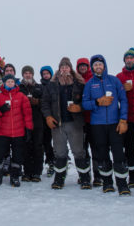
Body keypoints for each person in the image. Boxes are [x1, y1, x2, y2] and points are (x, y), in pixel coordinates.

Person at [82, 55, 130, 195]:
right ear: (92, 68)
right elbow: (85, 104)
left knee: (118, 154)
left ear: (104, 66)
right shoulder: (90, 84)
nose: (98, 67)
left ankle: (122, 184)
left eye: (100, 64)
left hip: (115, 123)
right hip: (97, 125)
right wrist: (98, 102)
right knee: (102, 155)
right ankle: (107, 183)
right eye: (95, 65)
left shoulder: (114, 80)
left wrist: (123, 119)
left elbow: (124, 100)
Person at [41, 57, 90, 190]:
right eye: (62, 66)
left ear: (70, 68)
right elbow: (45, 102)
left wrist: (79, 107)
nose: (64, 69)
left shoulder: (79, 83)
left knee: (79, 152)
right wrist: (48, 117)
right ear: (59, 69)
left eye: (66, 66)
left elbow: (87, 101)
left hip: (75, 123)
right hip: (58, 124)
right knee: (60, 153)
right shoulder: (52, 84)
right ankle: (59, 179)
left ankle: (84, 178)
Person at [0, 74, 33, 187]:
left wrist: (29, 129)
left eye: (12, 82)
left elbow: (27, 114)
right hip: (3, 132)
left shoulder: (21, 96)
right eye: (8, 81)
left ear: (15, 83)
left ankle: (15, 177)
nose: (10, 83)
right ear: (4, 83)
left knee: (18, 155)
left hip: (18, 132)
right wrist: (1, 109)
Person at [115, 47, 134, 188]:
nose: (129, 60)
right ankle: (133, 178)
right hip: (127, 118)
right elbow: (113, 95)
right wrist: (121, 88)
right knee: (130, 149)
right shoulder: (120, 77)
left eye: (131, 58)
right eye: (127, 58)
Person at [19, 65, 44, 182]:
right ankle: (27, 171)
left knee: (37, 146)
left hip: (37, 121)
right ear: (23, 75)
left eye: (29, 73)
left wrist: (37, 102)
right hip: (23, 121)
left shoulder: (39, 87)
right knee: (25, 146)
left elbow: (46, 101)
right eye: (25, 73)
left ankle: (37, 172)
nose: (27, 75)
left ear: (33, 75)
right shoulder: (19, 87)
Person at [76, 57, 96, 187]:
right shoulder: (76, 80)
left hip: (94, 119)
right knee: (82, 150)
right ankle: (85, 175)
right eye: (80, 66)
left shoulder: (93, 79)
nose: (82, 67)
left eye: (84, 65)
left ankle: (98, 175)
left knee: (97, 148)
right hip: (80, 120)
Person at [40, 66, 55, 177]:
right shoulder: (40, 86)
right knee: (46, 143)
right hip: (43, 119)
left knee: (57, 143)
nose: (45, 75)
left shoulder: (55, 85)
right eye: (43, 74)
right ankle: (50, 163)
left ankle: (57, 162)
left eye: (47, 73)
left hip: (55, 117)